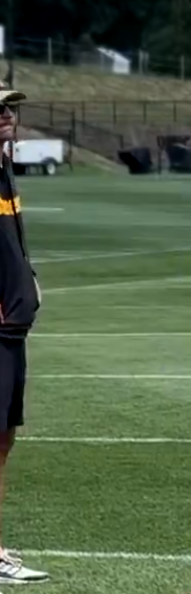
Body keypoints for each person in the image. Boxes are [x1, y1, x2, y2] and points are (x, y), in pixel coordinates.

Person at [0, 91, 48, 586]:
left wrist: (27, 278)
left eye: (9, 109)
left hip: (13, 326)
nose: (8, 116)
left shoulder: (5, 170)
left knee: (4, 440)